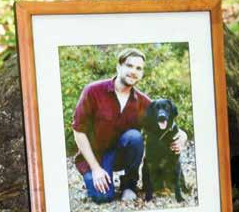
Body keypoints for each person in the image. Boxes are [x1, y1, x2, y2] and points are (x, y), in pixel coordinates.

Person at [72, 48, 187, 203]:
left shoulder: (143, 102)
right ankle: (97, 178)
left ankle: (129, 185)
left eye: (138, 68)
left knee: (134, 137)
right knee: (103, 197)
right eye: (129, 66)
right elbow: (78, 131)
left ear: (142, 73)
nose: (133, 71)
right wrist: (96, 169)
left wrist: (183, 136)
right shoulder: (93, 91)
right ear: (118, 67)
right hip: (95, 157)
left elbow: (165, 121)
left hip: (120, 155)